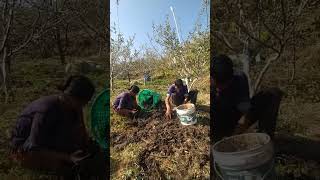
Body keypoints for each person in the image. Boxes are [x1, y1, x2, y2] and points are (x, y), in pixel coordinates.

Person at [9, 75, 108, 180]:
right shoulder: (46, 110)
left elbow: (81, 130)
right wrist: (68, 157)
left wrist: (86, 145)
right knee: (68, 168)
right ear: (72, 97)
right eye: (83, 102)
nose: (84, 106)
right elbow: (33, 147)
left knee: (89, 153)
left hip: (49, 140)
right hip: (25, 150)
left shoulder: (75, 107)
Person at [210, 54, 283, 142]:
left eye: (222, 85)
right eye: (216, 85)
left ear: (231, 77)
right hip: (215, 124)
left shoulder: (239, 79)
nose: (218, 88)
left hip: (232, 119)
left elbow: (245, 114)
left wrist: (233, 135)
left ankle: (265, 141)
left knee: (272, 94)